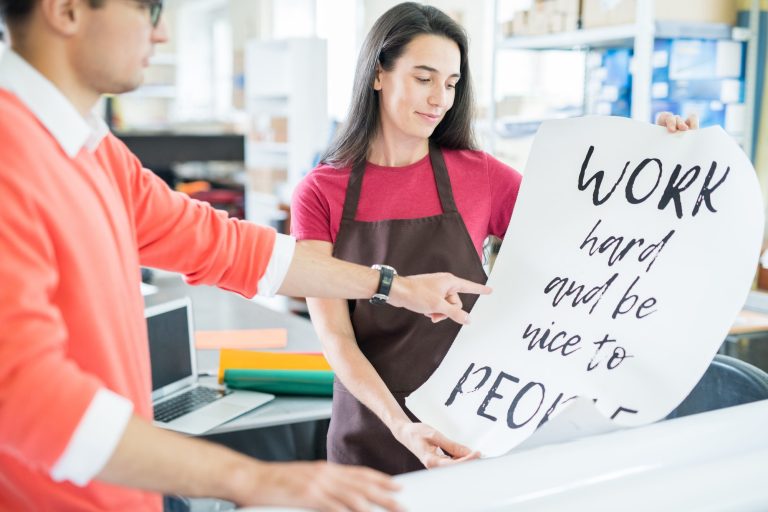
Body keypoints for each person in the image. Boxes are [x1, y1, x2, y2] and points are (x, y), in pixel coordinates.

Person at [0, 1, 494, 511]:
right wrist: (255, 480)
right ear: (66, 10)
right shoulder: (11, 153)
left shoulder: (95, 153)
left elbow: (231, 248)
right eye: (147, 9)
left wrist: (392, 286)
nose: (163, 33)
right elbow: (23, 395)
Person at [291, 1, 699, 476]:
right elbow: (336, 337)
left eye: (450, 83)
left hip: (470, 427)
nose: (439, 98)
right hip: (370, 428)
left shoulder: (480, 177)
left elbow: (592, 240)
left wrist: (667, 162)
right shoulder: (321, 191)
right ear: (378, 73)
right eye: (424, 78)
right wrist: (401, 425)